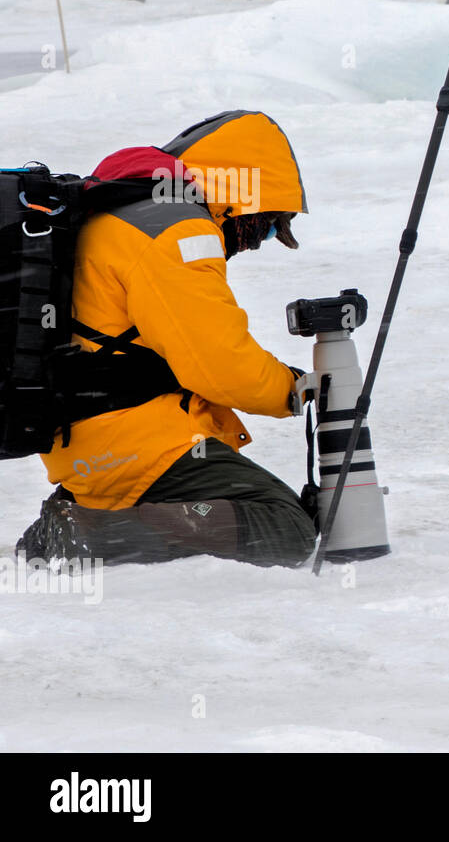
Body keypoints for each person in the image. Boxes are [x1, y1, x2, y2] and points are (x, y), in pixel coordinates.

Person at [16, 110, 317, 568]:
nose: (260, 240)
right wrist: (294, 389)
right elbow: (218, 363)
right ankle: (86, 535)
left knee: (269, 513)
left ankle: (81, 518)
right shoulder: (175, 228)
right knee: (284, 527)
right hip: (139, 445)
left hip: (91, 440)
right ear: (241, 198)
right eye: (271, 223)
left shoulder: (120, 212)